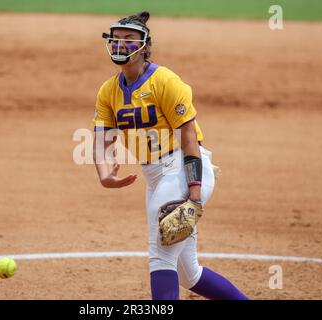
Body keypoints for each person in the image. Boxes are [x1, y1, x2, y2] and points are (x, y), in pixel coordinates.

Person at [92, 11, 248, 300]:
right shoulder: (108, 91)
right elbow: (101, 139)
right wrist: (104, 174)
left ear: (145, 46)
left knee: (160, 255)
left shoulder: (166, 81)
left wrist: (195, 193)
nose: (120, 45)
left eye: (129, 40)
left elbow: (190, 139)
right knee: (190, 274)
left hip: (184, 167)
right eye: (116, 39)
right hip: (155, 178)